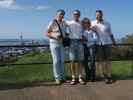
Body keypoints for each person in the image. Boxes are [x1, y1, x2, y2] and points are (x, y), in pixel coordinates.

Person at [92, 10, 116, 84]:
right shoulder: (93, 23)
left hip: (107, 43)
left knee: (108, 61)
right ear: (95, 15)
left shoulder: (107, 23)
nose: (98, 16)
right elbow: (89, 31)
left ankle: (109, 75)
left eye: (99, 15)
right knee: (101, 61)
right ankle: (104, 76)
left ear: (102, 15)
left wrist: (114, 42)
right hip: (99, 44)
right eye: (97, 15)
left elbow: (111, 33)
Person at [47, 9, 68, 85]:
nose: (61, 15)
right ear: (56, 14)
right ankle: (57, 78)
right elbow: (47, 33)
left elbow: (65, 32)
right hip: (54, 43)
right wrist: (55, 37)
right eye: (60, 14)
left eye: (62, 14)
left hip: (62, 44)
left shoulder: (64, 23)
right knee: (56, 61)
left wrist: (67, 36)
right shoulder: (52, 22)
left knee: (62, 61)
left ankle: (63, 77)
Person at [67, 10, 85, 85]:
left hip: (80, 42)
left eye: (77, 14)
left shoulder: (82, 23)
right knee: (72, 61)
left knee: (80, 61)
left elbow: (87, 28)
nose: (76, 15)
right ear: (72, 15)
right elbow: (61, 26)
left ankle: (80, 77)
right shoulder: (68, 22)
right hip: (72, 42)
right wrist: (66, 35)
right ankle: (73, 77)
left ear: (79, 15)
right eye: (74, 14)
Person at [82, 17, 98, 82]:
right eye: (85, 23)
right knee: (84, 62)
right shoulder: (82, 30)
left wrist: (87, 39)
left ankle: (92, 76)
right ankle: (88, 75)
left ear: (89, 23)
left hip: (92, 46)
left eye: (87, 22)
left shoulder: (92, 30)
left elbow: (96, 39)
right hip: (84, 47)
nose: (86, 24)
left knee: (92, 62)